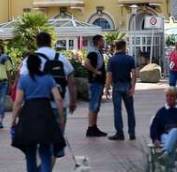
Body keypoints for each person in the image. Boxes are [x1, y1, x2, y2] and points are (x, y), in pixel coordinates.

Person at [19, 31, 76, 164]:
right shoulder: (61, 58)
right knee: (53, 144)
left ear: (36, 43)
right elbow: (71, 82)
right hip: (58, 106)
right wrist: (72, 101)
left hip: (35, 108)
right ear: (51, 42)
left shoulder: (29, 60)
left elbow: (22, 83)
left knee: (37, 142)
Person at [11, 54, 65, 172]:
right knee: (45, 150)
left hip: (28, 114)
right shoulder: (48, 78)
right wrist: (61, 118)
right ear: (40, 65)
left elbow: (18, 101)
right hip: (46, 113)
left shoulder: (24, 79)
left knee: (30, 152)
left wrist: (13, 120)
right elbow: (58, 99)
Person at [150, 87, 177, 170]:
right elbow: (154, 126)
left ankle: (165, 152)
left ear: (176, 97)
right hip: (165, 136)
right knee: (169, 140)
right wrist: (154, 138)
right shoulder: (161, 111)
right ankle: (170, 166)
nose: (169, 98)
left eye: (172, 96)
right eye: (167, 96)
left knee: (174, 131)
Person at [105, 39, 137, 141]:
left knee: (117, 111)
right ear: (124, 47)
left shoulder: (112, 60)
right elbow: (134, 74)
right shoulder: (130, 59)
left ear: (116, 47)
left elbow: (109, 76)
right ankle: (132, 133)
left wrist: (107, 88)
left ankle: (120, 133)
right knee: (130, 110)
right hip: (127, 85)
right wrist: (133, 87)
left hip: (117, 86)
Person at [83, 34, 107, 137]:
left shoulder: (97, 52)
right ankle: (91, 128)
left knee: (96, 105)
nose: (104, 43)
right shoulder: (93, 52)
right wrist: (95, 71)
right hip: (95, 82)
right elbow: (86, 63)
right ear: (98, 42)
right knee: (94, 104)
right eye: (102, 41)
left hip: (98, 82)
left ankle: (94, 127)